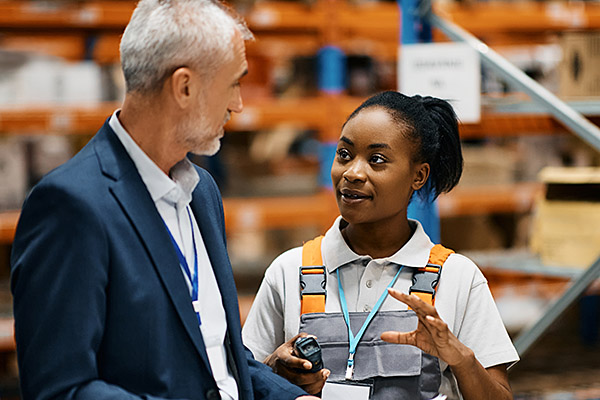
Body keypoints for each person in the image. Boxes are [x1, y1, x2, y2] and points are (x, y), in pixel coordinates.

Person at [10, 1, 318, 399]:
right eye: (234, 83)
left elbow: (215, 358)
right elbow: (61, 389)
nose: (238, 104)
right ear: (184, 87)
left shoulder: (202, 193)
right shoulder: (71, 206)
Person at [242, 91, 520, 399]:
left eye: (376, 160)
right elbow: (242, 381)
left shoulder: (457, 277)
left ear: (418, 175)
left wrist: (460, 357)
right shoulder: (289, 271)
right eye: (344, 155)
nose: (352, 173)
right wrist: (274, 370)